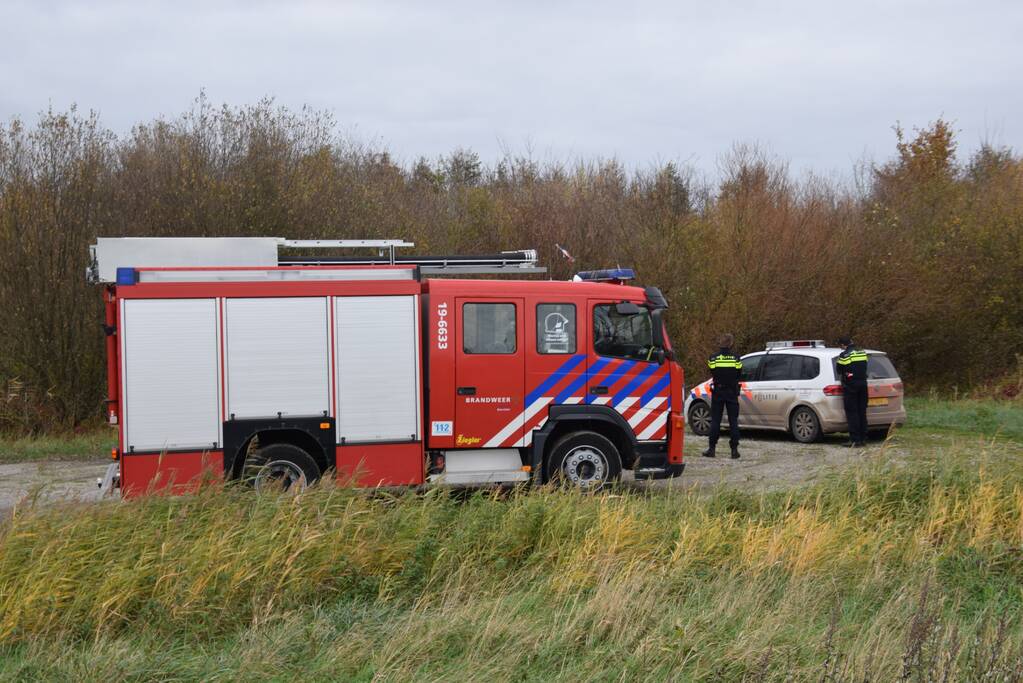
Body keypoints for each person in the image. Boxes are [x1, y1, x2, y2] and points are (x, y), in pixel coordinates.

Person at [702, 334, 742, 459]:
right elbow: (739, 373)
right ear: (731, 344)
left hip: (718, 391)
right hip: (731, 392)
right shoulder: (736, 358)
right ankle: (734, 450)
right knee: (733, 421)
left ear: (720, 343)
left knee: (715, 421)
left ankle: (712, 449)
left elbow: (712, 371)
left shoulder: (713, 358)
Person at [836, 337, 869, 447]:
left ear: (842, 345)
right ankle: (863, 439)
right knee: (862, 412)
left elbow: (839, 370)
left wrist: (848, 374)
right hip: (863, 384)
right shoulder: (862, 352)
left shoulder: (845, 355)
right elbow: (863, 366)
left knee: (852, 413)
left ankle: (855, 440)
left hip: (851, 386)